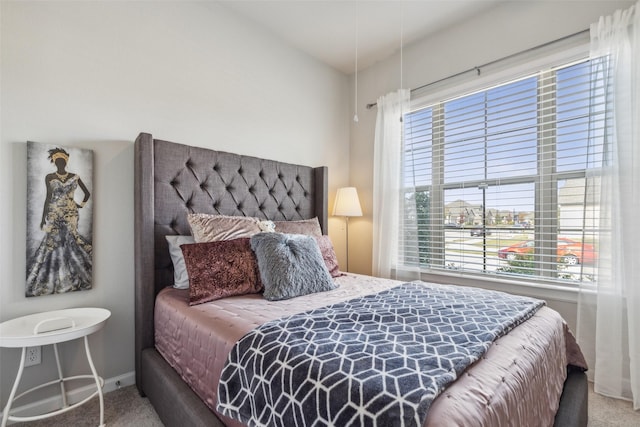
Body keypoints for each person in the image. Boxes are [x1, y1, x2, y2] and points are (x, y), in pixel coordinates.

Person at [26, 148, 92, 296]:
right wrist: (44, 216)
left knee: (70, 240)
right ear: (55, 163)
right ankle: (56, 276)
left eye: (62, 161)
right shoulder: (49, 177)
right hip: (54, 213)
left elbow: (87, 193)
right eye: (57, 162)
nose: (59, 164)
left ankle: (73, 274)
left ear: (65, 162)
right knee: (53, 242)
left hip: (70, 214)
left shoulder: (75, 176)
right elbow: (48, 198)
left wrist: (79, 205)